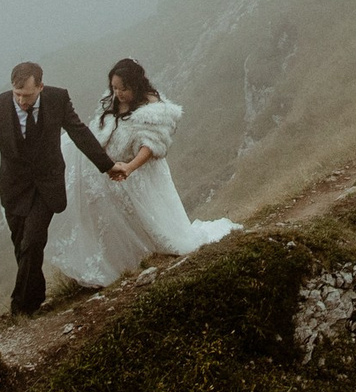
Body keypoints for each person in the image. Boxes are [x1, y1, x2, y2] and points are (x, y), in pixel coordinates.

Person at [47, 56, 238, 289]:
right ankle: (120, 263)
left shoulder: (155, 111)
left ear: (135, 86)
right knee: (113, 220)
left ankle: (150, 255)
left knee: (150, 222)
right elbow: (100, 129)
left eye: (123, 88)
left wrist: (129, 168)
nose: (118, 93)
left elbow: (150, 147)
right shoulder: (113, 101)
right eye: (114, 88)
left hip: (140, 175)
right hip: (112, 171)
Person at [0, 61, 117, 317]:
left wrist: (107, 166)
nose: (21, 101)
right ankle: (36, 295)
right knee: (22, 247)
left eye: (27, 95)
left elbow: (79, 133)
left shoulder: (58, 99)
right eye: (17, 94)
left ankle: (21, 309)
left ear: (40, 86)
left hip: (47, 185)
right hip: (14, 190)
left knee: (32, 242)